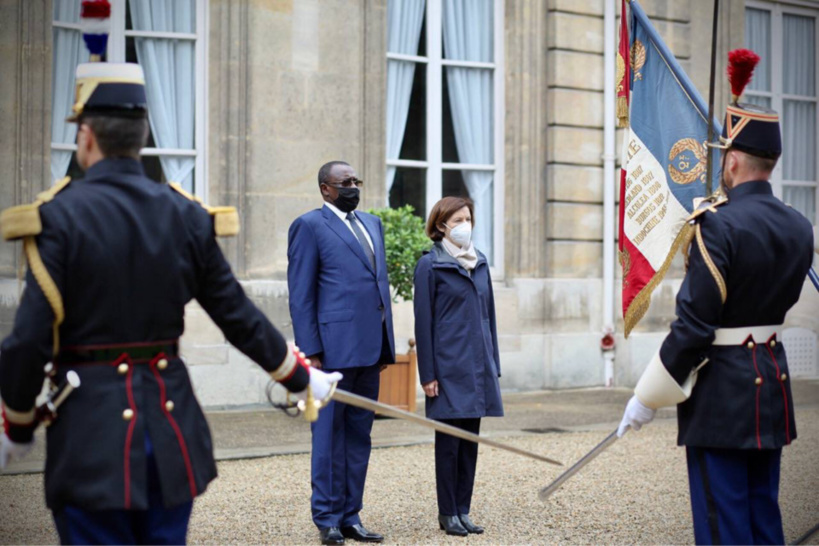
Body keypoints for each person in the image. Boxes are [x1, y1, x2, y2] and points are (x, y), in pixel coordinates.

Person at [0, 62, 340, 545]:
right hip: (170, 433)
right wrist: (301, 377)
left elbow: (28, 341)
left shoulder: (56, 217)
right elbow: (237, 316)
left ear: (86, 136)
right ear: (141, 136)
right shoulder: (185, 214)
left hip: (88, 440)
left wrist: (16, 427)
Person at [618, 51, 814, 545]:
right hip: (772, 383)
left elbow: (694, 325)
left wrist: (647, 395)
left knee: (722, 523)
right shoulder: (799, 225)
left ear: (729, 161)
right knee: (763, 516)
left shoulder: (716, 225)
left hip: (722, 394)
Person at [287, 161, 395, 546]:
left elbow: (379, 288)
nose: (353, 187)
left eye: (356, 181)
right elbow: (301, 295)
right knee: (329, 437)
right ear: (325, 189)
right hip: (331, 353)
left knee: (359, 436)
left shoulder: (372, 224)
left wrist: (387, 344)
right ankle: (328, 518)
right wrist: (311, 351)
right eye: (344, 182)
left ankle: (351, 515)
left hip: (370, 350)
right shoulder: (310, 226)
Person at [412, 196, 504, 537]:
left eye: (468, 218)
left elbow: (488, 316)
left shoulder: (479, 262)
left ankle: (464, 510)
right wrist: (428, 375)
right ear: (441, 226)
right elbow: (423, 324)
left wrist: (494, 363)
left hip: (479, 367)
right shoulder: (430, 265)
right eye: (458, 219)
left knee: (470, 442)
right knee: (449, 444)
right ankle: (447, 513)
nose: (465, 224)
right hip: (448, 369)